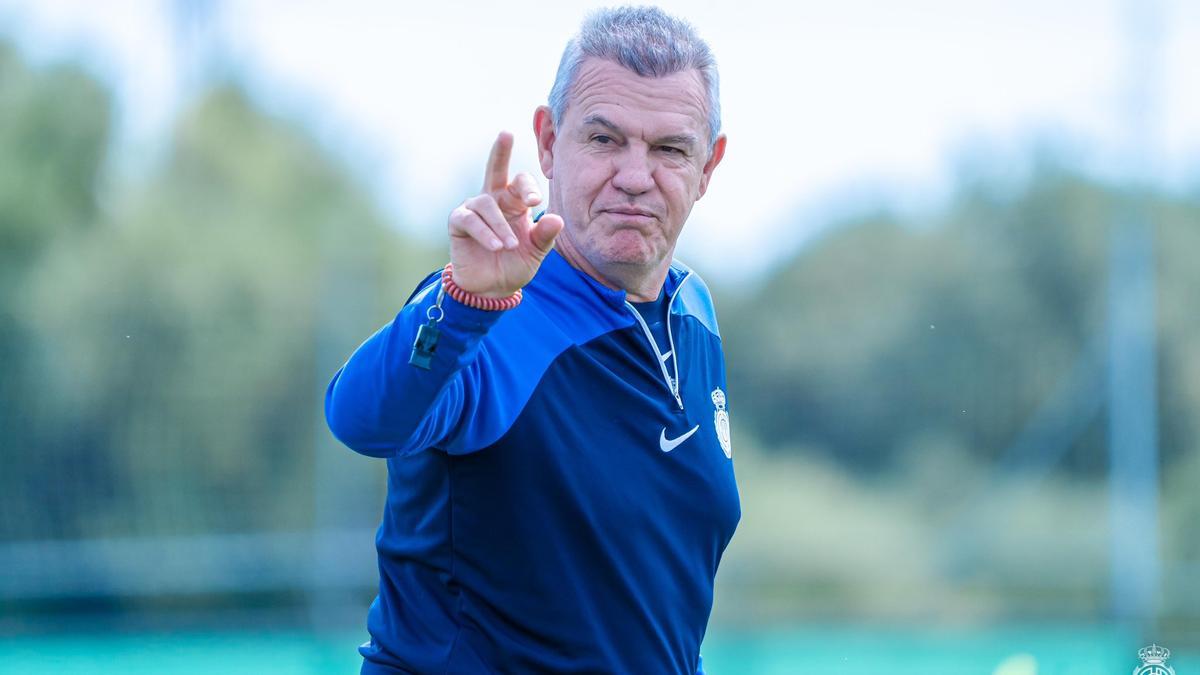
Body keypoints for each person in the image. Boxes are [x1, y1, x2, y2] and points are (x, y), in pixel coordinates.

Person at [325, 6, 739, 673]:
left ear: (708, 166)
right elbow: (359, 418)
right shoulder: (489, 309)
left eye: (669, 148)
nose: (636, 175)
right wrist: (462, 305)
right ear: (548, 142)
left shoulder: (693, 311)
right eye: (604, 139)